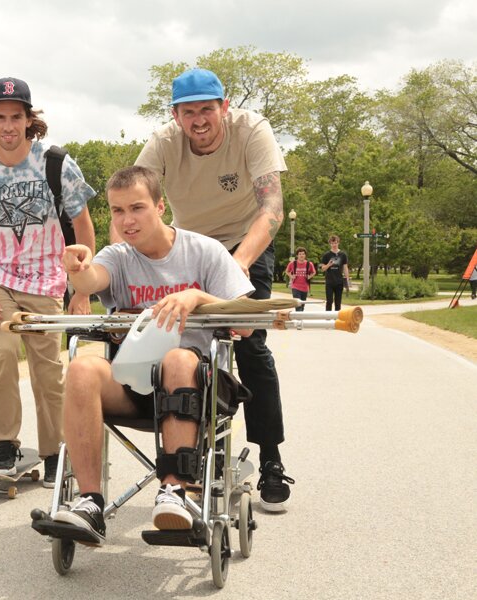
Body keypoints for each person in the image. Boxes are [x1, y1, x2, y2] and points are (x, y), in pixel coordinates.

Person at [51, 166, 254, 542]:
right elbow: (92, 279)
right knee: (81, 368)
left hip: (198, 386)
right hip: (136, 382)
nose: (127, 220)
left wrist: (197, 298)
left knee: (176, 358)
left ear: (160, 206)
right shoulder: (119, 256)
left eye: (137, 208)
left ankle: (175, 491)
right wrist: (77, 269)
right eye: (117, 211)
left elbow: (246, 325)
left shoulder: (205, 251)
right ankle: (90, 502)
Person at [134, 68, 295, 511]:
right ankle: (195, 449)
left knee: (250, 345)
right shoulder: (164, 142)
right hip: (189, 247)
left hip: (246, 243)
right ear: (176, 115)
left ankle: (271, 459)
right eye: (190, 112)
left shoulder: (251, 130)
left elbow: (273, 207)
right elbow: (134, 198)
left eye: (208, 108)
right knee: (184, 346)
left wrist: (236, 266)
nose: (200, 120)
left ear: (224, 107)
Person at [0, 77, 96, 486]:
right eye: (1, 117)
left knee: (48, 370)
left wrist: (81, 289)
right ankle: (3, 442)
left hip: (45, 279)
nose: (9, 125)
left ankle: (54, 450)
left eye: (17, 117)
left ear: (30, 120)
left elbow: (83, 226)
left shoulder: (56, 164)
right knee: (0, 353)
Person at [319, 235, 350, 311]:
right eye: (332, 243)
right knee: (329, 301)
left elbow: (345, 268)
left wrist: (347, 279)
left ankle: (337, 319)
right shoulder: (326, 255)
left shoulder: (343, 255)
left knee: (338, 302)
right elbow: (322, 269)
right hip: (329, 282)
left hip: (339, 281)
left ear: (338, 243)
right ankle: (328, 318)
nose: (334, 245)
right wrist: (328, 265)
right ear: (330, 244)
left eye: (336, 243)